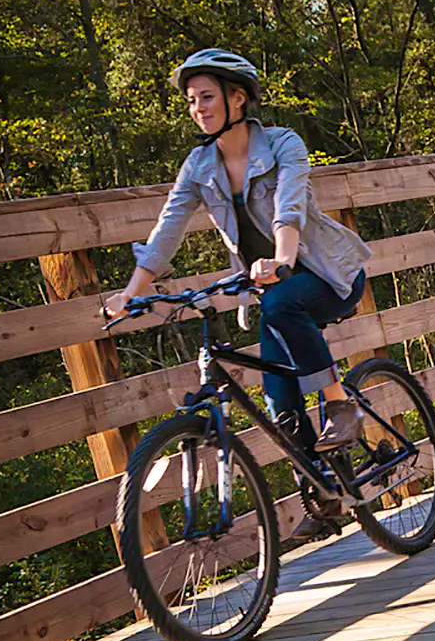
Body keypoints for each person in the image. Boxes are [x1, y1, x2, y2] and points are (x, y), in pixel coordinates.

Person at [106, 51, 371, 477]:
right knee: (278, 403)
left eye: (207, 97)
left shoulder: (284, 143)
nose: (198, 109)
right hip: (272, 294)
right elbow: (166, 231)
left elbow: (289, 208)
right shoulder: (198, 166)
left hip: (327, 275)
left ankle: (340, 403)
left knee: (281, 304)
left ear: (238, 99)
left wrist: (282, 260)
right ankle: (323, 492)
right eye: (192, 100)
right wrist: (129, 294)